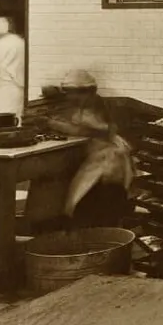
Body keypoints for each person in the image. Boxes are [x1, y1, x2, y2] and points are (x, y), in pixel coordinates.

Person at [41, 70, 135, 228]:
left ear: (88, 92)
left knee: (92, 194)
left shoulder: (97, 107)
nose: (72, 97)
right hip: (95, 154)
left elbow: (91, 130)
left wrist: (53, 124)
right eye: (69, 93)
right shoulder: (80, 105)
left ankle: (97, 228)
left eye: (76, 93)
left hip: (108, 156)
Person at [0, 16, 26, 120]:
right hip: (20, 89)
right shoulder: (20, 41)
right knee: (17, 119)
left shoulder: (1, 44)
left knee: (2, 121)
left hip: (6, 90)